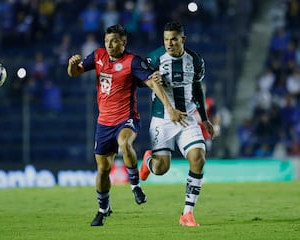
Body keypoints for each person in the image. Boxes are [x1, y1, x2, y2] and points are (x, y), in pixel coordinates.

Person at [67, 24, 185, 227]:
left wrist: (170, 108)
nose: (110, 45)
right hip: (104, 122)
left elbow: (153, 83)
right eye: (107, 41)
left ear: (124, 42)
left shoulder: (132, 62)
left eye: (114, 41)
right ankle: (103, 209)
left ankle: (135, 186)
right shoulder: (98, 56)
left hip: (127, 118)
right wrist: (72, 64)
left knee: (124, 142)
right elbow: (75, 73)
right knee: (103, 169)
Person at [139, 21, 216, 227]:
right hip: (162, 120)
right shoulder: (155, 57)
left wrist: (205, 118)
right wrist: (150, 78)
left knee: (198, 158)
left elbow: (198, 88)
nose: (169, 43)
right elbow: (138, 79)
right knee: (161, 168)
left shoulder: (195, 60)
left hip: (187, 118)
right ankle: (148, 162)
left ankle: (187, 214)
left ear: (183, 39)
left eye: (173, 39)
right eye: (166, 39)